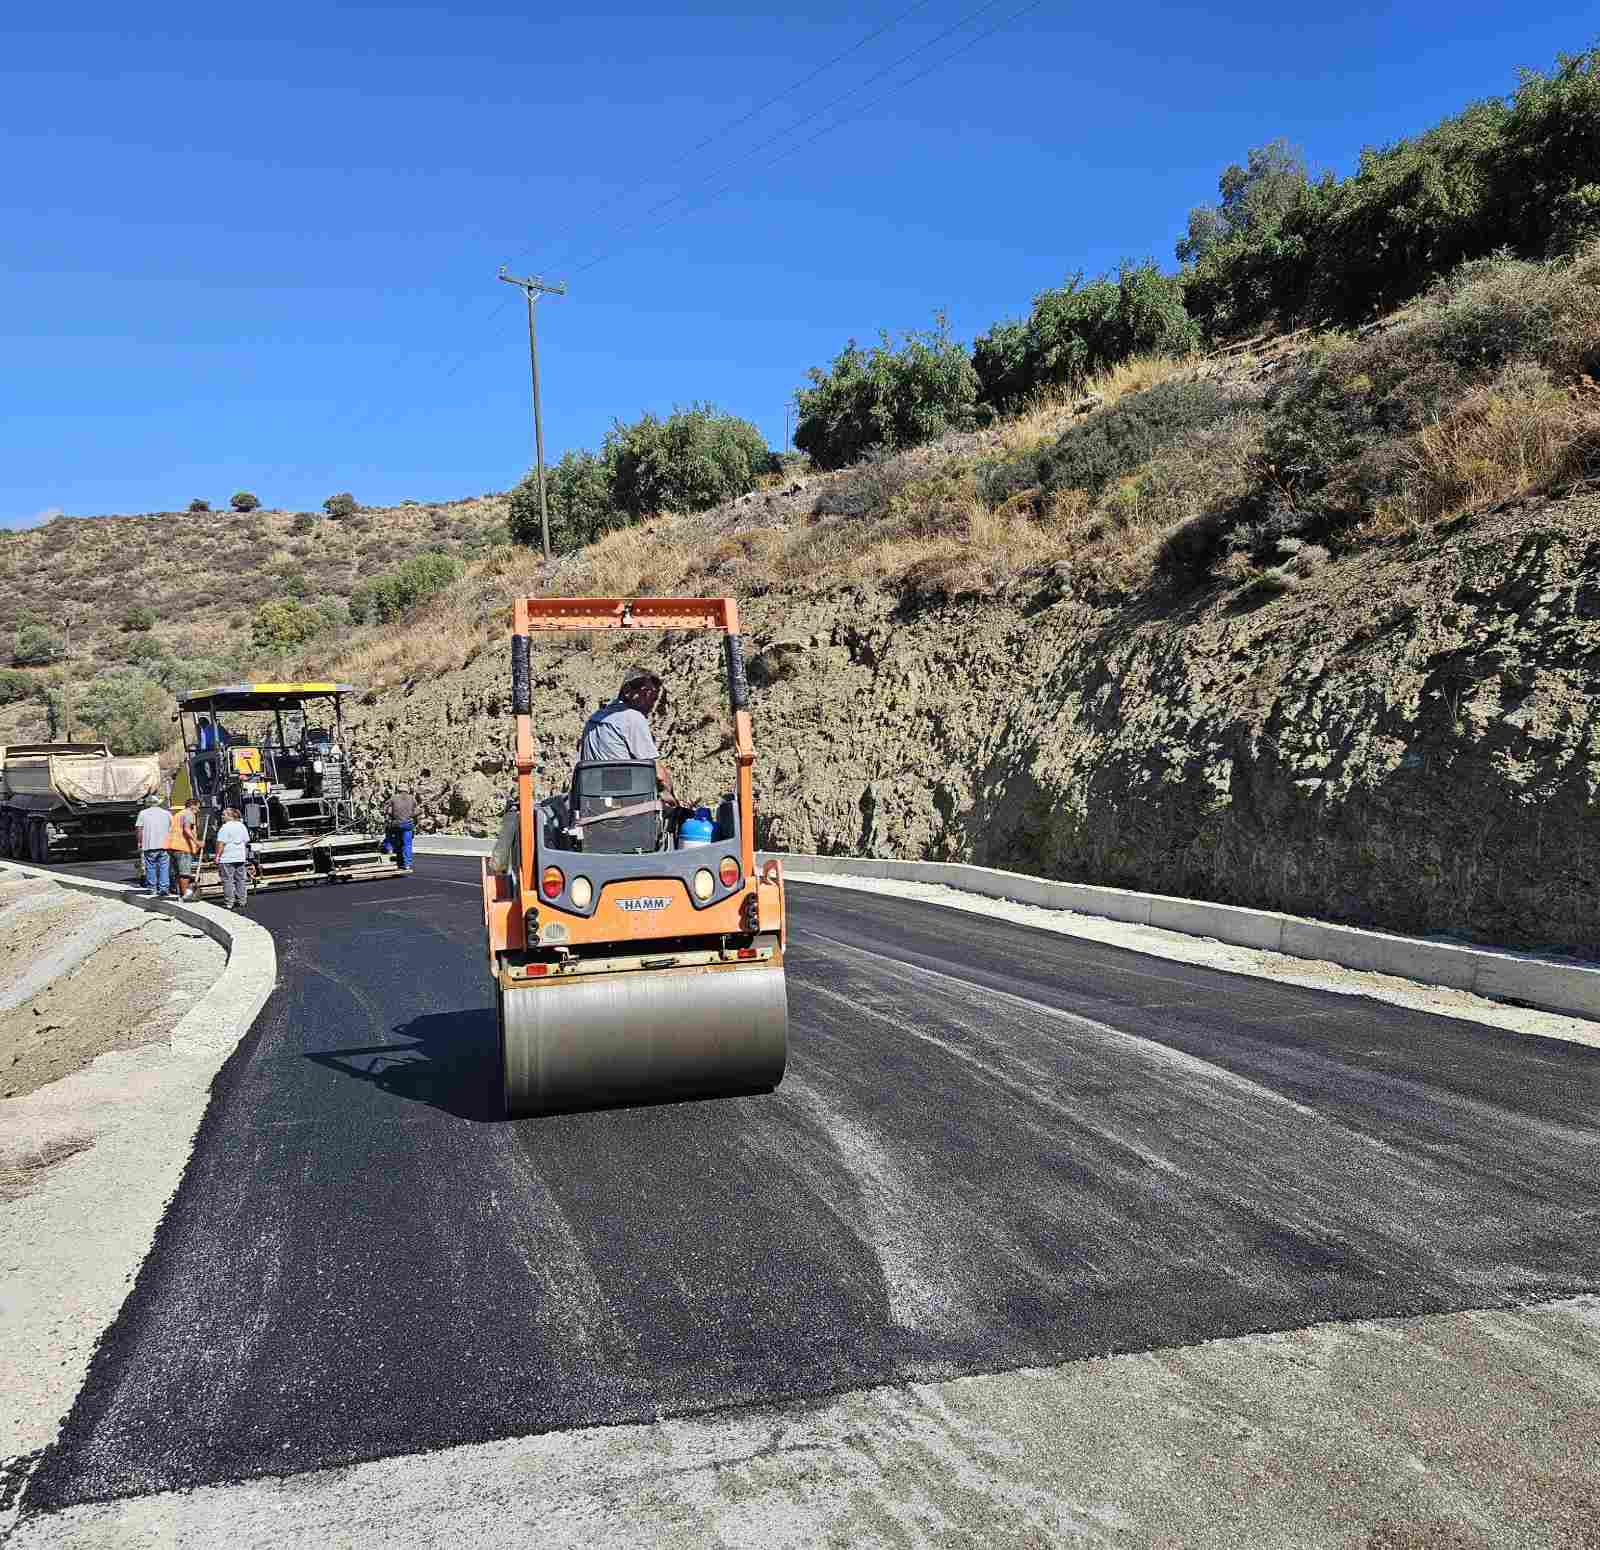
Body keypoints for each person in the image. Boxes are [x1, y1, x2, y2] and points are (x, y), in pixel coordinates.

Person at [578, 665, 676, 804]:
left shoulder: (594, 719)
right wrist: (673, 799)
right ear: (627, 691)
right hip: (625, 805)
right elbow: (658, 774)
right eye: (646, 694)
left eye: (654, 698)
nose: (651, 703)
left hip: (590, 803)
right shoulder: (632, 717)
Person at [213, 806, 251, 911]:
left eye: (224, 814)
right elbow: (246, 840)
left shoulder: (225, 827)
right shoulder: (242, 826)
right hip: (240, 857)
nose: (222, 816)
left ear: (230, 816)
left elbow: (221, 843)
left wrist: (217, 856)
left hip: (227, 857)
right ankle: (242, 900)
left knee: (227, 880)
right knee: (240, 879)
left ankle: (229, 902)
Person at [134, 794, 172, 898]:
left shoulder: (143, 813)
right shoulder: (166, 813)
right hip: (164, 845)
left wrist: (139, 842)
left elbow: (139, 829)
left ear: (147, 804)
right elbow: (172, 828)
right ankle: (164, 888)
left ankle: (152, 888)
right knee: (164, 867)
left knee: (150, 867)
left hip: (149, 845)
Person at [164, 797, 200, 899]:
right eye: (198, 807)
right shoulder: (189, 814)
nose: (198, 810)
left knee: (178, 873)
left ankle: (180, 894)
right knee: (184, 873)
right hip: (183, 847)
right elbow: (187, 829)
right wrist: (197, 842)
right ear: (192, 806)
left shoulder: (178, 814)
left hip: (173, 846)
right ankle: (185, 895)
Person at [383, 786, 416, 872]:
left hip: (397, 824)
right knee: (407, 844)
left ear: (398, 790)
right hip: (408, 825)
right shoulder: (412, 798)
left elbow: (386, 810)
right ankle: (407, 864)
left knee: (392, 838)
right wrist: (410, 816)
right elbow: (415, 810)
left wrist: (391, 815)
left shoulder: (393, 798)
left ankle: (389, 850)